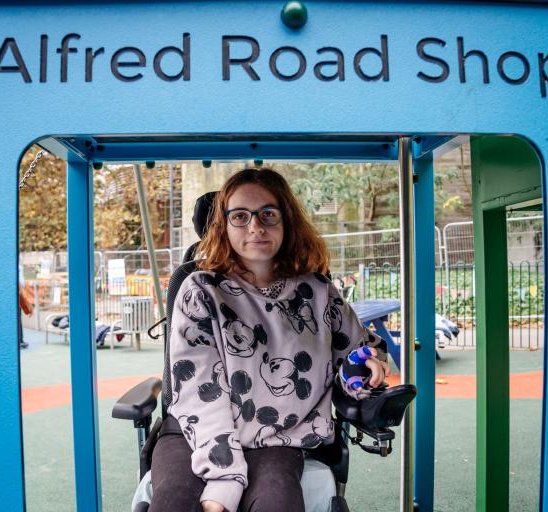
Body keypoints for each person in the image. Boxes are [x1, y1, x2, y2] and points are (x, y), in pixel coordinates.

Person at [150, 168, 390, 512]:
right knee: (174, 503)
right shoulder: (200, 290)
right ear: (224, 224)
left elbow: (359, 350)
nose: (255, 227)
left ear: (286, 219)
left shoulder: (319, 293)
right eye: (240, 216)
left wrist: (368, 366)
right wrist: (224, 479)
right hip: (194, 431)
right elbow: (199, 389)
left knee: (277, 501)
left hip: (276, 435)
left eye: (268, 214)